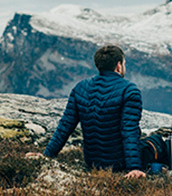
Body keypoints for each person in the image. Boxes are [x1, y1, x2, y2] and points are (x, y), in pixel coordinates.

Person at [43, 44, 145, 179]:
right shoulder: (129, 90)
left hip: (93, 162)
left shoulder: (80, 88)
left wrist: (47, 155)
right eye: (124, 63)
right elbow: (129, 130)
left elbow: (65, 125)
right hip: (119, 163)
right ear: (119, 66)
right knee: (157, 143)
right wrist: (134, 168)